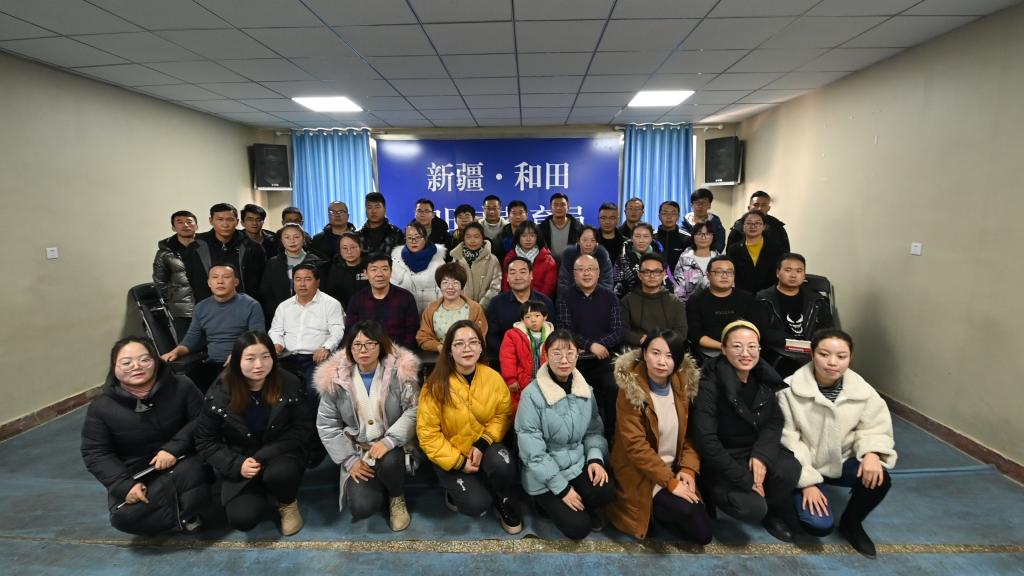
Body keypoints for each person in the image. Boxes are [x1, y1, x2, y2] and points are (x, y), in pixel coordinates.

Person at [779, 329, 896, 558]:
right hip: (806, 465)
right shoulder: (789, 391)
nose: (833, 362)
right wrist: (808, 482)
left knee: (880, 478)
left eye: (841, 356)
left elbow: (875, 427)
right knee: (818, 526)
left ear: (850, 358)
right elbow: (788, 441)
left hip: (841, 461)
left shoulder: (863, 391)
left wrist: (872, 453)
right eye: (824, 354)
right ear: (812, 354)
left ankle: (852, 524)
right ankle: (790, 502)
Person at [81, 337, 209, 535]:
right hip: (139, 473)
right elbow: (96, 452)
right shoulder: (101, 407)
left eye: (144, 360)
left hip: (183, 460)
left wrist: (173, 448)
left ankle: (185, 514)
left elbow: (202, 419)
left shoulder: (181, 385)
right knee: (124, 517)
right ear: (114, 367)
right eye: (126, 363)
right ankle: (179, 515)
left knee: (194, 474)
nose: (136, 366)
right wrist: (124, 485)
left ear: (155, 361)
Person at [691, 321, 802, 542]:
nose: (745, 353)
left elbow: (774, 421)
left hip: (752, 450)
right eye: (737, 346)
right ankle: (710, 491)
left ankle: (772, 510)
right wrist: (745, 480)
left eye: (752, 346)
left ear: (759, 349)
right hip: (723, 457)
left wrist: (761, 455)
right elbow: (706, 441)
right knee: (752, 509)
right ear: (723, 349)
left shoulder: (763, 377)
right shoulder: (709, 383)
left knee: (790, 468)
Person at [194, 331, 311, 536]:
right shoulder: (220, 392)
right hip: (241, 456)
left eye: (266, 357)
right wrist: (237, 464)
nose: (259, 365)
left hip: (280, 450)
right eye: (250, 358)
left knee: (281, 474)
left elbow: (302, 428)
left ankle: (287, 502)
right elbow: (205, 440)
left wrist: (262, 456)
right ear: (236, 360)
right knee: (242, 519)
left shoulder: (289, 382)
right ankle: (263, 488)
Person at [607, 329, 712, 544]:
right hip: (642, 473)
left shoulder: (682, 385)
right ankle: (650, 512)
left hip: (673, 469)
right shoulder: (630, 390)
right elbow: (636, 446)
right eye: (655, 353)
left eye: (669, 356)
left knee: (703, 534)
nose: (661, 362)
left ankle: (660, 510)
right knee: (685, 513)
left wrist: (688, 469)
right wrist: (670, 483)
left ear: (678, 361)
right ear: (644, 354)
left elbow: (690, 435)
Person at [314, 320, 421, 532]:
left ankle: (396, 496)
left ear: (381, 345)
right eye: (357, 345)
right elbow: (327, 424)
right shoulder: (335, 379)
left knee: (390, 463)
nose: (363, 350)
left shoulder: (400, 372)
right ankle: (379, 482)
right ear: (349, 348)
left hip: (394, 446)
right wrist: (349, 459)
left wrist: (389, 441)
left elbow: (414, 410)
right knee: (362, 508)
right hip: (359, 450)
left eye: (370, 344)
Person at [416, 320, 521, 534]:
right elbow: (428, 435)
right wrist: (459, 462)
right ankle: (455, 488)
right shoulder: (434, 385)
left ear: (481, 347)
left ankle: (502, 499)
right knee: (477, 505)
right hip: (451, 454)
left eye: (473, 342)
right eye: (459, 344)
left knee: (504, 464)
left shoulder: (493, 378)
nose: (467, 348)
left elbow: (503, 415)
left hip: (484, 446)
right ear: (449, 350)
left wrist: (483, 443)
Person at [515, 330, 614, 540]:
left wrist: (595, 458)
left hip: (575, 463)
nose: (564, 360)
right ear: (546, 355)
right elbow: (534, 453)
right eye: (556, 353)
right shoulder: (531, 395)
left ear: (578, 354)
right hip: (543, 475)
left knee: (606, 490)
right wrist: (562, 489)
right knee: (579, 528)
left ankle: (577, 501)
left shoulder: (585, 389)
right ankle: (543, 504)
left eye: (570, 353)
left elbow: (594, 430)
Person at [161, 263, 265, 393]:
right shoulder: (201, 307)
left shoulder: (251, 305)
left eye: (226, 277)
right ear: (209, 283)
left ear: (236, 282)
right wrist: (175, 352)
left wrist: (239, 354)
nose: (220, 281)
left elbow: (257, 338)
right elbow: (191, 339)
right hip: (212, 364)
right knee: (181, 386)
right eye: (215, 277)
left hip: (242, 363)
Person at [557, 254, 623, 438]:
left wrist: (599, 346)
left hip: (605, 359)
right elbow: (564, 329)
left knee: (613, 386)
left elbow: (618, 331)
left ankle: (611, 435)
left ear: (598, 272)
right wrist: (590, 345)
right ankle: (577, 435)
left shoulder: (610, 297)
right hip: (576, 361)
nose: (586, 273)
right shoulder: (566, 296)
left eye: (590, 269)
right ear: (574, 273)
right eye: (581, 270)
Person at [754, 253, 834, 378]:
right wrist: (793, 343)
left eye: (799, 271)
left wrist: (814, 344)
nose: (793, 275)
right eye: (788, 270)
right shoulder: (763, 299)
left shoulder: (817, 300)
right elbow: (763, 331)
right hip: (779, 352)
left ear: (804, 275)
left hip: (811, 351)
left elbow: (828, 328)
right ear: (778, 273)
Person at [268, 264, 345, 390]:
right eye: (298, 279)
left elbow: (337, 331)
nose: (302, 284)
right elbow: (276, 331)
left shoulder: (331, 304)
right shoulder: (284, 306)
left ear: (317, 282)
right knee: (276, 386)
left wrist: (326, 347)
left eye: (307, 279)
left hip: (316, 358)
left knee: (313, 390)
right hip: (287, 357)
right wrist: (277, 344)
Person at [184, 203, 266, 302]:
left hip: (245, 304)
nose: (225, 224)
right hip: (207, 305)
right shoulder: (196, 247)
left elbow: (262, 281)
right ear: (211, 221)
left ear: (237, 222)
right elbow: (188, 281)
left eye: (230, 219)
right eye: (220, 219)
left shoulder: (252, 247)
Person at [344, 253, 420, 350]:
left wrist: (402, 354)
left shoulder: (406, 297)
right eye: (374, 270)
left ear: (391, 272)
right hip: (366, 353)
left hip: (398, 352)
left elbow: (412, 333)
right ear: (365, 273)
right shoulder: (357, 299)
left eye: (384, 269)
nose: (379, 274)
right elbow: (350, 332)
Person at [685, 256, 756, 358]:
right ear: (708, 275)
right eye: (719, 272)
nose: (725, 276)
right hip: (708, 353)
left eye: (729, 272)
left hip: (744, 351)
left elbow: (755, 329)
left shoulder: (747, 298)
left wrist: (740, 347)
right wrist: (724, 347)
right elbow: (694, 334)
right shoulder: (696, 300)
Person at [485, 257, 554, 358]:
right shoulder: (496, 303)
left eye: (523, 272)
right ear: (507, 277)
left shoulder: (545, 302)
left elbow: (553, 335)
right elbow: (492, 337)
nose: (518, 277)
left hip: (541, 359)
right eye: (513, 273)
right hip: (506, 359)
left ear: (531, 275)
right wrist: (510, 355)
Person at [258, 223, 324, 325]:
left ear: (304, 239)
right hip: (280, 318)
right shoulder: (273, 263)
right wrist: (278, 314)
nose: (292, 241)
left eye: (296, 237)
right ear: (281, 240)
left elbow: (323, 293)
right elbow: (266, 293)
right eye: (287, 237)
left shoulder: (317, 263)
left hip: (312, 318)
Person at [416, 263, 488, 353]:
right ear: (439, 286)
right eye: (445, 282)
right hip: (439, 356)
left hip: (468, 354)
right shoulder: (431, 309)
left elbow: (480, 337)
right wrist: (440, 347)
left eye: (455, 283)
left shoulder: (475, 308)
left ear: (462, 286)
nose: (450, 287)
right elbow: (423, 337)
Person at [621, 254, 687, 348]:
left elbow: (681, 332)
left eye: (656, 272)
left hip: (667, 349)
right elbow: (622, 330)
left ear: (663, 274)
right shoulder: (627, 300)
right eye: (646, 272)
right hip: (637, 348)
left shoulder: (675, 302)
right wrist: (641, 340)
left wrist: (661, 342)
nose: (652, 276)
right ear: (639, 275)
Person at [499, 300, 553, 411]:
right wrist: (511, 379)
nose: (533, 320)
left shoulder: (552, 335)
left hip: (546, 380)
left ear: (545, 317)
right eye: (528, 317)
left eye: (537, 315)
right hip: (523, 381)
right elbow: (507, 358)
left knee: (546, 407)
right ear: (522, 320)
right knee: (523, 408)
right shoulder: (512, 335)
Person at [153, 210, 198, 338]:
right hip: (182, 310)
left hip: (208, 304)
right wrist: (174, 298)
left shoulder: (205, 246)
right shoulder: (164, 253)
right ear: (173, 227)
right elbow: (159, 281)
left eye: (189, 222)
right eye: (180, 222)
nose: (185, 225)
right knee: (187, 344)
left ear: (196, 226)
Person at [391, 221, 447, 313]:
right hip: (405, 314)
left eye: (417, 237)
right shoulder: (397, 260)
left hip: (432, 314)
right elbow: (392, 290)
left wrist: (439, 314)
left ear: (425, 238)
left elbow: (443, 291)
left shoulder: (438, 261)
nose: (414, 241)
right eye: (409, 238)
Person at [727, 210, 786, 294]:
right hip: (742, 295)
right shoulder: (734, 249)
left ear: (764, 226)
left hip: (769, 295)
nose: (753, 226)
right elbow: (731, 273)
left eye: (757, 223)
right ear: (743, 227)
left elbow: (779, 272)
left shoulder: (776, 248)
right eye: (748, 223)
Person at [449, 222, 502, 308]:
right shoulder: (456, 260)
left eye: (476, 237)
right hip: (460, 309)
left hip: (485, 309)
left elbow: (495, 287)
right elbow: (451, 286)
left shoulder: (492, 260)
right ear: (464, 238)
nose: (472, 241)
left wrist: (481, 307)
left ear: (483, 238)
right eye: (468, 237)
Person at [501, 221, 557, 299]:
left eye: (532, 235)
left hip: (539, 302)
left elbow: (549, 287)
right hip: (513, 302)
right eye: (524, 236)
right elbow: (506, 284)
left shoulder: (548, 260)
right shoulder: (509, 258)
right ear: (518, 237)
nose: (528, 239)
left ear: (537, 237)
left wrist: (535, 302)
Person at [557, 225, 614, 294]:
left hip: (597, 297)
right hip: (573, 296)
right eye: (584, 240)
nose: (588, 244)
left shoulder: (602, 255)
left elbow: (607, 284)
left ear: (596, 243)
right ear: (578, 241)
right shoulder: (569, 255)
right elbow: (564, 283)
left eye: (592, 240)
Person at [673, 221, 719, 303]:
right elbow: (678, 286)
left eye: (707, 234)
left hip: (716, 305)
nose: (703, 237)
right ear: (693, 236)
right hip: (688, 305)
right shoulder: (684, 258)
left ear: (713, 237)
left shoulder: (720, 260)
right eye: (699, 234)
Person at [321, 232, 369, 308]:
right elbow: (331, 295)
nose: (349, 252)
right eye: (344, 248)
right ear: (339, 250)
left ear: (360, 247)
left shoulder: (371, 265)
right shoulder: (334, 268)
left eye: (353, 247)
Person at [614, 223, 662, 298]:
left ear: (651, 238)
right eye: (637, 236)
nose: (641, 241)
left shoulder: (661, 256)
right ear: (631, 238)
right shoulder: (622, 258)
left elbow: (669, 280)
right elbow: (617, 287)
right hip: (630, 301)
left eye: (646, 236)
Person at [538, 192, 582, 267]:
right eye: (555, 205)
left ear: (568, 207)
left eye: (562, 205)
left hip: (571, 268)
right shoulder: (541, 228)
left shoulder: (578, 227)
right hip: (548, 267)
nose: (559, 208)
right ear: (550, 208)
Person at [681, 189, 726, 253]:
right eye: (697, 203)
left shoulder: (716, 224)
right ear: (692, 205)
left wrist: (708, 255)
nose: (700, 206)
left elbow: (719, 244)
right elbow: (681, 245)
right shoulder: (684, 225)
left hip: (711, 257)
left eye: (704, 203)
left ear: (709, 205)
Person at [656, 200, 692, 273]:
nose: (669, 217)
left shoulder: (687, 238)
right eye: (665, 213)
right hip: (654, 276)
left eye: (673, 213)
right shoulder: (651, 237)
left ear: (678, 217)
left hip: (680, 278)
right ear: (659, 216)